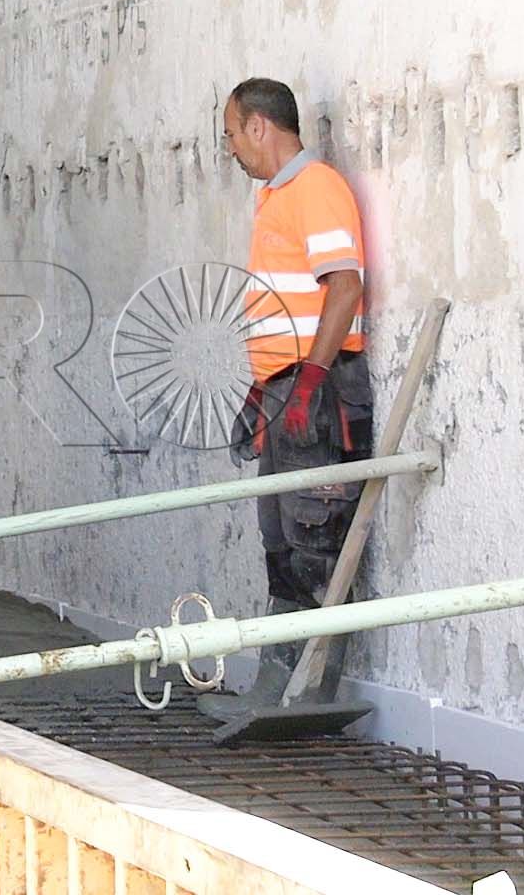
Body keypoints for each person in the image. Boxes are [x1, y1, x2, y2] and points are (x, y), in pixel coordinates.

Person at [199, 77, 373, 720]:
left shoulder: (316, 188)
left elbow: (345, 287)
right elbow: (287, 309)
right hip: (288, 390)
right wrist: (262, 388)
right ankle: (275, 692)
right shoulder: (276, 197)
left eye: (231, 134)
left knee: (315, 542)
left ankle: (311, 695)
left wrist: (307, 383)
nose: (231, 149)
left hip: (318, 393)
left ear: (258, 127)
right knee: (281, 542)